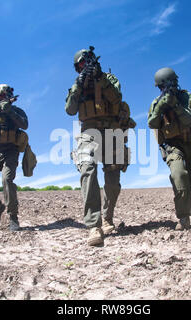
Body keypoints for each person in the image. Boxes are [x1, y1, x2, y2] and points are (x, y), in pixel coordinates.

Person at [65, 46, 135, 246]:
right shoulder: (76, 84)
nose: (85, 66)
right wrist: (79, 85)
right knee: (87, 168)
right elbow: (70, 109)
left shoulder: (110, 79)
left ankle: (107, 217)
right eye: (81, 64)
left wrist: (100, 79)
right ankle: (93, 226)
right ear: (77, 68)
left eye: (87, 62)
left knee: (112, 182)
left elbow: (116, 97)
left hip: (112, 131)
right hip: (89, 132)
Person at [147, 68, 191, 231]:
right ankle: (183, 217)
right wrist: (161, 105)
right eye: (162, 87)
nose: (166, 89)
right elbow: (152, 123)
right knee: (179, 176)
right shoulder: (156, 102)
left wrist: (175, 105)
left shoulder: (186, 97)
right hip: (173, 147)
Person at [0, 84, 28, 231]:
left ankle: (13, 217)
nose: (0, 99)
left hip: (11, 151)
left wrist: (10, 113)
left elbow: (25, 125)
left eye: (3, 96)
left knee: (7, 180)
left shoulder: (17, 111)